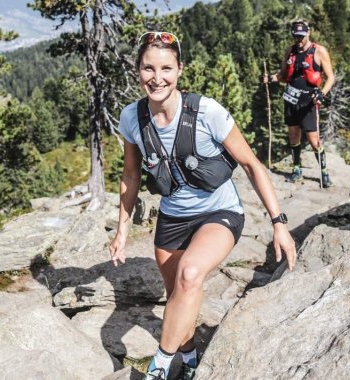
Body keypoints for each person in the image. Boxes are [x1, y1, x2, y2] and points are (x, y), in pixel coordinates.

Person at [109, 31, 297, 380]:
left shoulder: (206, 112)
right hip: (172, 218)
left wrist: (279, 222)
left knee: (190, 274)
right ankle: (191, 357)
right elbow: (131, 175)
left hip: (219, 212)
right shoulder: (132, 118)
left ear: (179, 69)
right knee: (179, 295)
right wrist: (122, 230)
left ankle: (159, 367)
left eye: (166, 68)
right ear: (137, 70)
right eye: (148, 68)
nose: (157, 77)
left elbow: (252, 165)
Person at [264, 19, 335, 188]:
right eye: (296, 36)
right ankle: (297, 169)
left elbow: (330, 77)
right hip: (290, 99)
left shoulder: (319, 51)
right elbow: (283, 75)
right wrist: (271, 78)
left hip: (309, 101)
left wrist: (322, 93)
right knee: (293, 135)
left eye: (302, 36)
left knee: (313, 140)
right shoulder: (290, 51)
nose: (299, 39)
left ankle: (324, 172)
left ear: (308, 33)